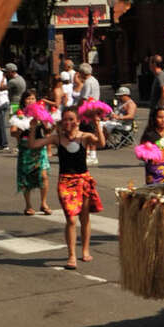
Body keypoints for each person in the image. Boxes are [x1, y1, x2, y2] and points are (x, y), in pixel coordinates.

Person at [30, 106, 104, 270]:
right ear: (61, 122)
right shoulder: (57, 138)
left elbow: (101, 142)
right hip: (65, 182)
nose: (68, 122)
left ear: (77, 121)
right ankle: (71, 255)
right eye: (65, 119)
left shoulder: (84, 137)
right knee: (71, 219)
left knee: (84, 217)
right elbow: (34, 145)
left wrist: (97, 124)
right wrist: (33, 127)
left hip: (83, 180)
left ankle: (85, 250)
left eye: (71, 119)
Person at [12, 97, 52, 216]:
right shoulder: (19, 115)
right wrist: (20, 129)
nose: (30, 101)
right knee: (26, 178)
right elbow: (13, 132)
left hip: (40, 148)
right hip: (25, 149)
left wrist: (46, 122)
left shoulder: (41, 113)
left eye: (33, 99)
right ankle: (28, 205)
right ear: (24, 101)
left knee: (44, 176)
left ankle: (44, 203)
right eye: (28, 99)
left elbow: (48, 131)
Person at [139, 106, 164, 185]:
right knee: (155, 195)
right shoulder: (149, 135)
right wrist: (146, 155)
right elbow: (141, 154)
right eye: (160, 117)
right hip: (153, 171)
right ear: (155, 118)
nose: (163, 120)